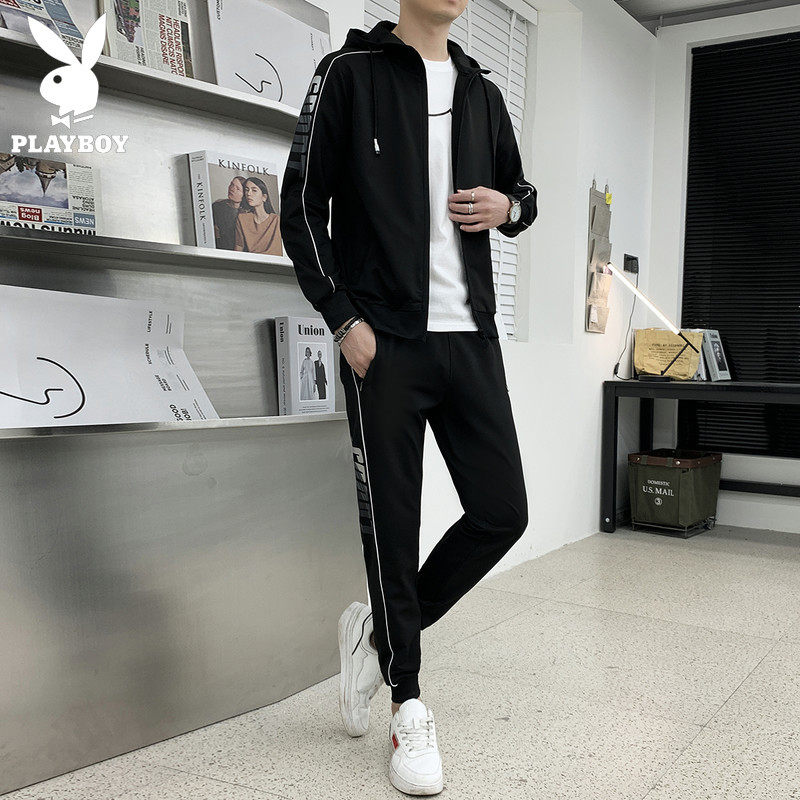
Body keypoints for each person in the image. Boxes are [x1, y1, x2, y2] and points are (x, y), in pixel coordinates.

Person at [280, 0, 536, 794]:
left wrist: (509, 208)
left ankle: (381, 634)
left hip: (471, 341)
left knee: (502, 512)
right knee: (394, 527)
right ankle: (408, 702)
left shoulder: (483, 93)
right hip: (384, 341)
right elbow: (299, 207)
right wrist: (342, 318)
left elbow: (524, 194)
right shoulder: (348, 74)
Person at [233, 176, 282, 255]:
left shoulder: (276, 220)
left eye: (254, 190)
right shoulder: (242, 218)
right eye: (247, 190)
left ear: (264, 197)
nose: (249, 194)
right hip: (251, 260)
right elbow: (239, 246)